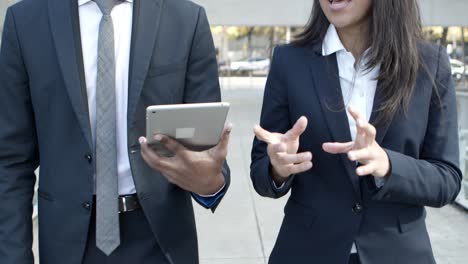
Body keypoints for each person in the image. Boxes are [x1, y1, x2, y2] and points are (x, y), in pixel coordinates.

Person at [0, 0, 231, 263]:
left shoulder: (186, 19)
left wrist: (209, 183)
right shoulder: (25, 21)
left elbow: (209, 156)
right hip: (66, 243)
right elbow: (11, 160)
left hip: (159, 240)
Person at [251, 0, 462, 263]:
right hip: (307, 250)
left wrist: (387, 165)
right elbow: (261, 172)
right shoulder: (289, 61)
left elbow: (447, 179)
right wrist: (278, 168)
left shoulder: (430, 63)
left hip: (398, 253)